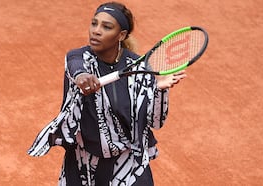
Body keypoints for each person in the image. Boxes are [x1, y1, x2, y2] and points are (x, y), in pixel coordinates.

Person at [28, 1, 186, 185]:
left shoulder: (140, 69)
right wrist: (82, 76)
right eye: (94, 23)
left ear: (121, 35)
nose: (96, 30)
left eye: (106, 26)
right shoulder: (80, 57)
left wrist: (160, 90)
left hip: (127, 165)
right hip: (83, 163)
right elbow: (75, 66)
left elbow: (156, 122)